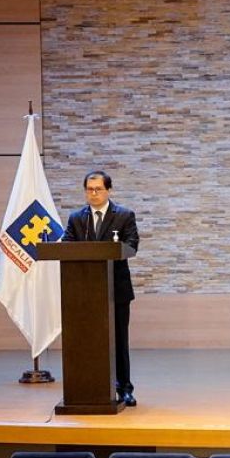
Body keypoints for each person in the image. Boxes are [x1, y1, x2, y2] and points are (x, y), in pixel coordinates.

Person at [62, 170, 141, 406]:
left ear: (109, 191)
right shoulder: (77, 218)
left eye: (98, 189)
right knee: (87, 340)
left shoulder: (124, 216)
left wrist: (111, 251)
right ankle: (90, 386)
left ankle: (124, 388)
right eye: (89, 189)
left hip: (115, 290)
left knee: (119, 341)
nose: (93, 194)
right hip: (84, 292)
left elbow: (132, 245)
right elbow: (67, 246)